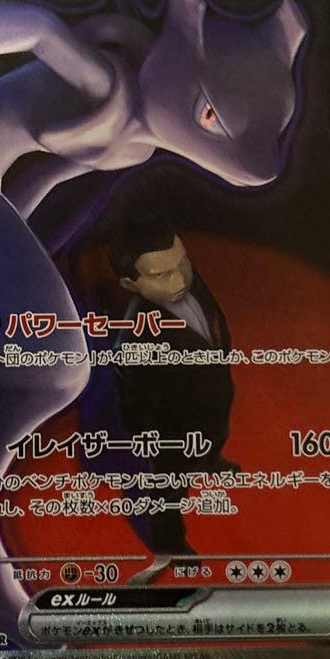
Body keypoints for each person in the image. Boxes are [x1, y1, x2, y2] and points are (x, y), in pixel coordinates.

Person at [109, 216, 237, 557]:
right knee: (169, 488)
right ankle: (169, 542)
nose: (180, 280)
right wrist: (155, 441)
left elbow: (214, 321)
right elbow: (134, 402)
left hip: (213, 398)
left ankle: (210, 460)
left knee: (216, 434)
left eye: (183, 263)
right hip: (173, 430)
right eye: (162, 275)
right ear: (130, 284)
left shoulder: (192, 282)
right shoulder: (133, 339)